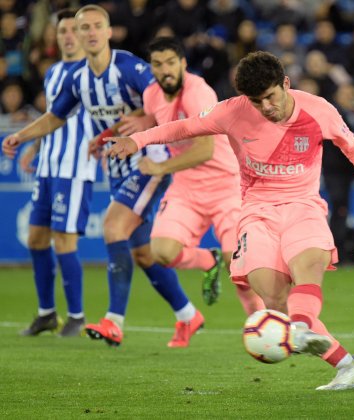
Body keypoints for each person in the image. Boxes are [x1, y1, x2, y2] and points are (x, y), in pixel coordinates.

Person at [106, 51, 354, 390]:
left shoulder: (318, 109)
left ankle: (300, 330)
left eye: (271, 97)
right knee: (273, 298)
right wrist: (136, 140)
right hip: (257, 212)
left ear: (285, 83)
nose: (266, 107)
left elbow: (353, 147)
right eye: (257, 102)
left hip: (303, 207)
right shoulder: (232, 111)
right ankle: (347, 366)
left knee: (307, 270)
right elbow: (183, 126)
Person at [1, 5, 201, 348]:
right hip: (119, 167)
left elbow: (167, 99)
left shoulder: (130, 67)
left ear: (108, 32)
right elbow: (55, 116)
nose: (91, 32)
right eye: (84, 28)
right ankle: (187, 315)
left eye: (97, 26)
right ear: (76, 35)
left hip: (150, 160)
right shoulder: (78, 77)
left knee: (112, 227)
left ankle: (113, 321)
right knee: (141, 253)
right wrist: (22, 136)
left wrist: (142, 118)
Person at [117, 36, 265, 347]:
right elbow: (153, 115)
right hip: (186, 188)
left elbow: (205, 149)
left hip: (225, 185)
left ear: (183, 63)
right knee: (161, 252)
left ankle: (260, 324)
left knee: (239, 267)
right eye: (158, 64)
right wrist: (128, 127)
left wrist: (159, 168)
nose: (165, 70)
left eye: (171, 62)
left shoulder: (198, 93)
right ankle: (207, 261)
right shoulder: (153, 93)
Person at [1, 9, 96, 337]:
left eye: (74, 30)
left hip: (74, 168)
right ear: (56, 37)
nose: (68, 36)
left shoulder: (92, 71)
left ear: (84, 34)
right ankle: (46, 313)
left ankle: (77, 316)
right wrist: (36, 146)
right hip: (49, 166)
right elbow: (53, 117)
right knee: (36, 238)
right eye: (63, 31)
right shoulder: (53, 73)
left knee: (63, 240)